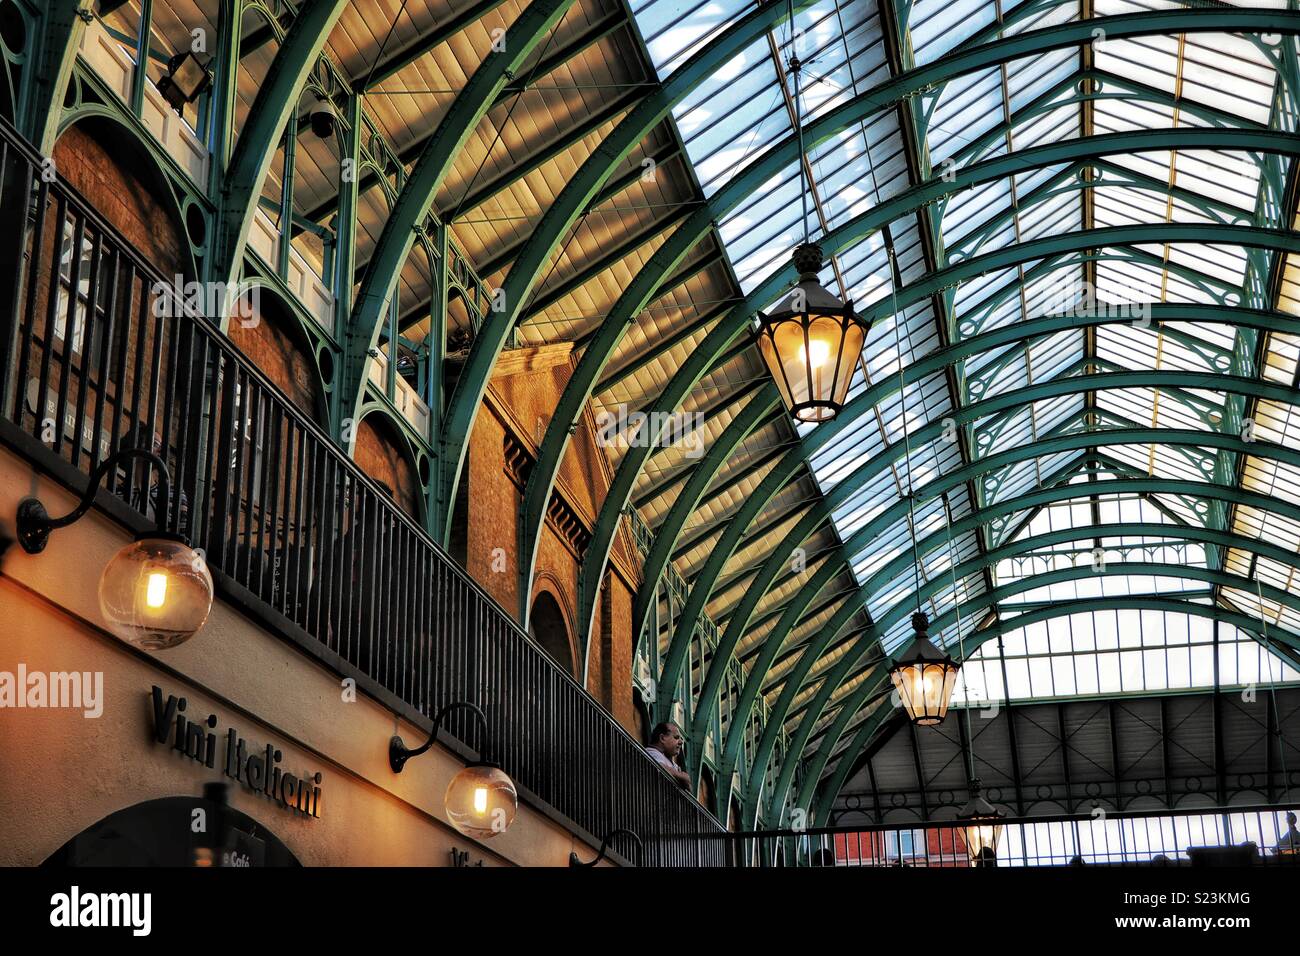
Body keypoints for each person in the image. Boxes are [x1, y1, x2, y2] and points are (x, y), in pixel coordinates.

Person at [645, 722, 692, 789]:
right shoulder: (651, 753)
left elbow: (689, 787)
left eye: (681, 739)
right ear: (662, 738)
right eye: (676, 737)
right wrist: (680, 775)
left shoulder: (670, 762)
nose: (681, 742)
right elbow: (658, 767)